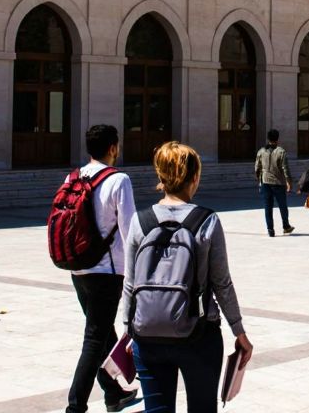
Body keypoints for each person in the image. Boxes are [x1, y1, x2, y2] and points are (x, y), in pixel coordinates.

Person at [123, 141, 253, 413]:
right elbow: (222, 283)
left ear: (160, 177)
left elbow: (130, 284)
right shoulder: (207, 221)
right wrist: (238, 331)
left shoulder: (140, 221)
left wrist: (128, 331)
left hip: (148, 335)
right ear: (194, 178)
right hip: (200, 334)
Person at [66, 124, 139, 413]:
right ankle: (76, 406)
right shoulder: (119, 180)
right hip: (106, 272)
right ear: (113, 147)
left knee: (102, 332)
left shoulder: (74, 176)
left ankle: (113, 393)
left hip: (78, 269)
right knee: (95, 339)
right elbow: (130, 231)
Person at [254, 128, 294, 237]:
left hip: (265, 182)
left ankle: (270, 229)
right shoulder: (281, 151)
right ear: (277, 139)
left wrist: (259, 180)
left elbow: (257, 168)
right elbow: (285, 169)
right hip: (278, 183)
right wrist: (289, 182)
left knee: (268, 207)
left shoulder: (261, 151)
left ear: (268, 138)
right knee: (282, 206)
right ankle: (286, 226)